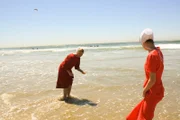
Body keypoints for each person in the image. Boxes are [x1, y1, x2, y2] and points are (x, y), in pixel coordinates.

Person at [126, 28, 165, 120]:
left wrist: (144, 90)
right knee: (135, 114)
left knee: (145, 118)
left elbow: (152, 80)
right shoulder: (159, 52)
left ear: (144, 43)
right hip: (158, 89)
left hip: (152, 92)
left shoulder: (151, 55)